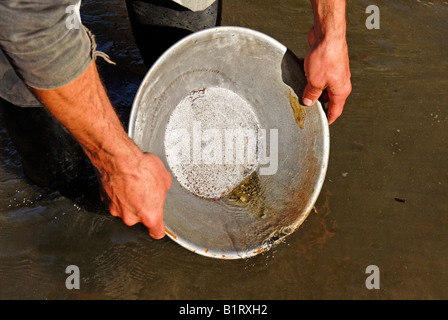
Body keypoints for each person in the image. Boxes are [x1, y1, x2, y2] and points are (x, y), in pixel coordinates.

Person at [0, 0, 351, 239]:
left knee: (188, 60)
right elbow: (32, 29)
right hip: (26, 17)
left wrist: (330, 31)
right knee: (57, 166)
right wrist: (114, 161)